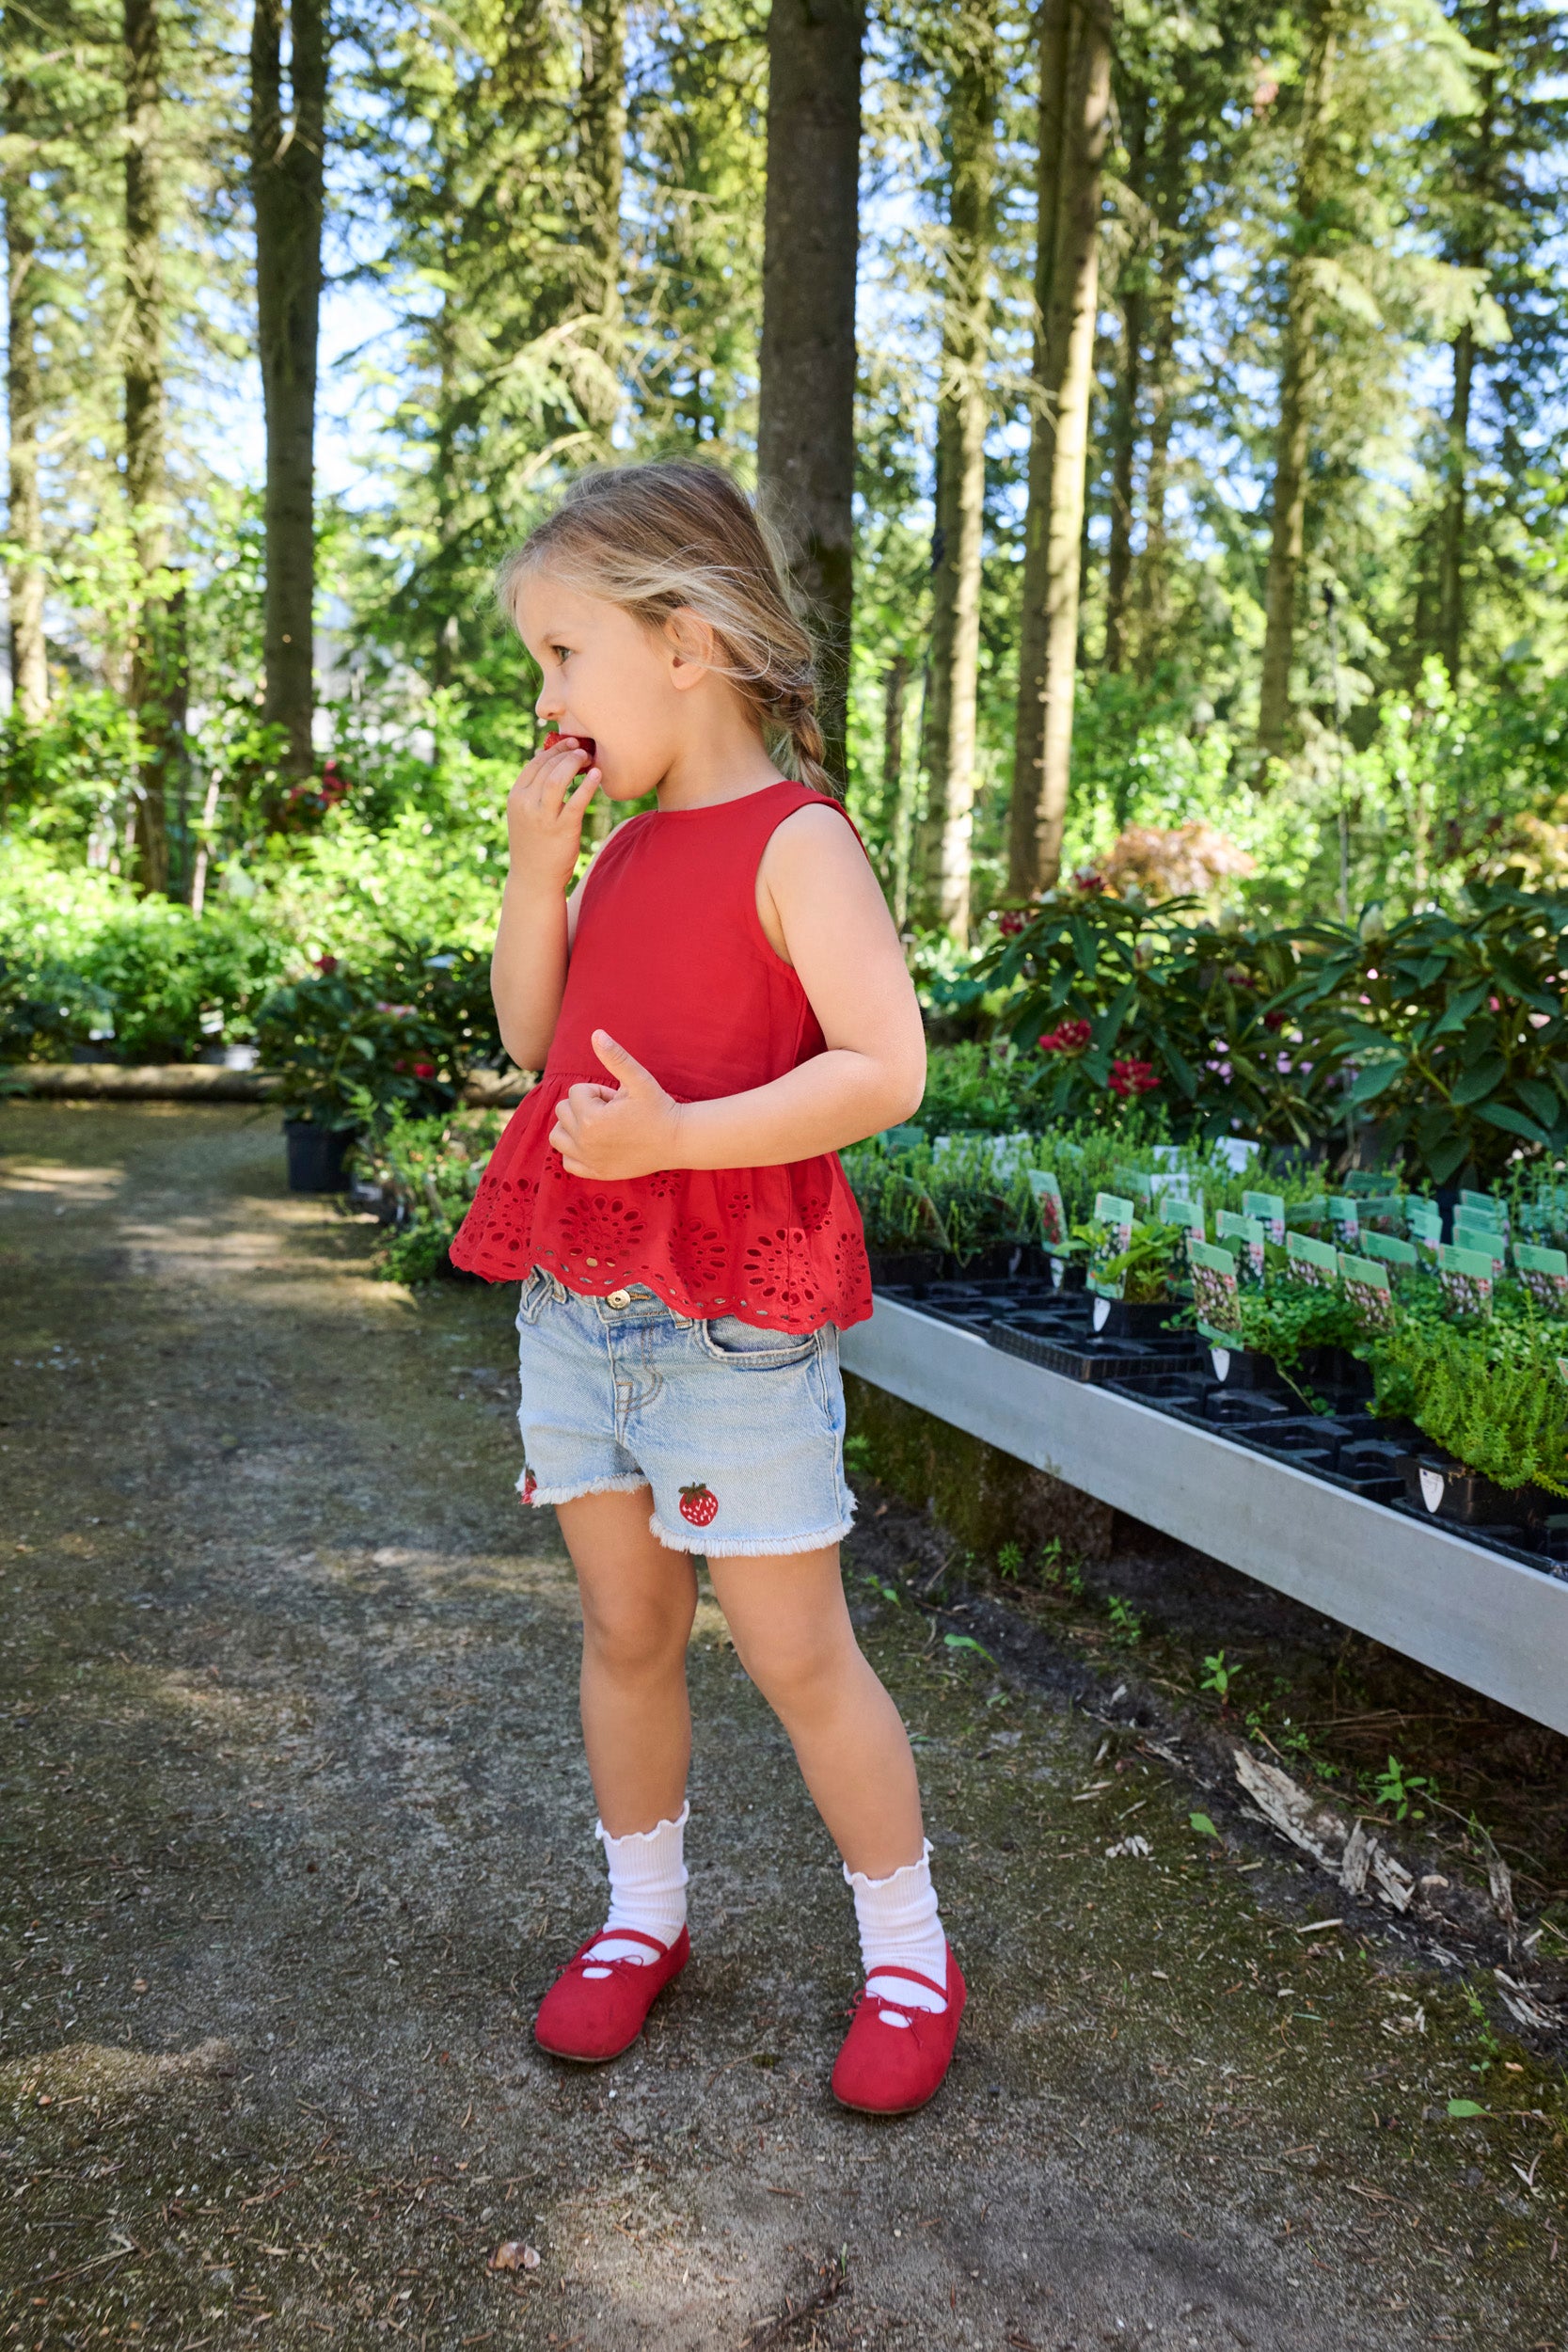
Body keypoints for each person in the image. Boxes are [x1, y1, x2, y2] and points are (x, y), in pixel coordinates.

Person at [451, 460, 963, 2116]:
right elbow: (534, 1038)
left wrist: (677, 1138)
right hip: (579, 1303)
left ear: (685, 643)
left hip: (733, 1316)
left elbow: (884, 1067)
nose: (547, 699)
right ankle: (642, 1916)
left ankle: (909, 1953)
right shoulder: (621, 853)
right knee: (626, 1626)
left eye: (563, 654)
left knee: (796, 1650)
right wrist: (537, 873)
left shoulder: (797, 841)